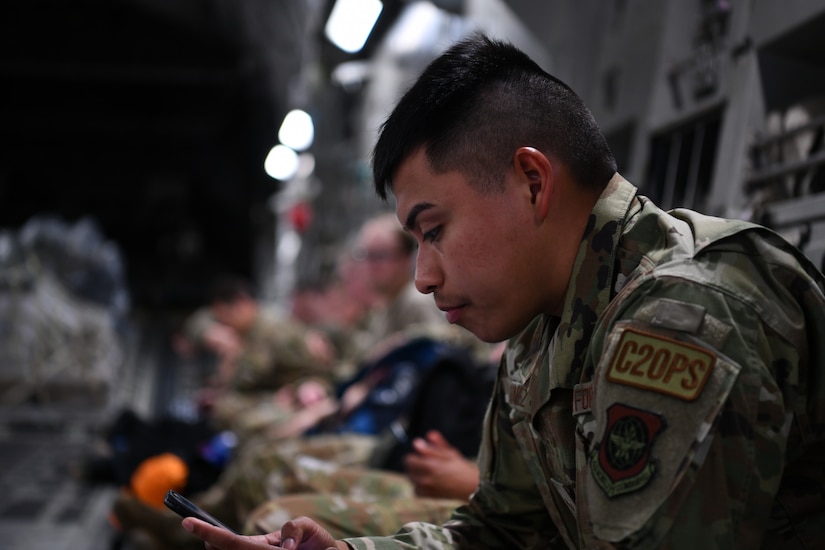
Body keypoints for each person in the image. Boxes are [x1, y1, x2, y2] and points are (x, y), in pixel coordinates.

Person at [182, 33, 825, 549]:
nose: (423, 276)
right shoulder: (543, 327)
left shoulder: (685, 312)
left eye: (434, 231)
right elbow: (501, 531)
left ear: (532, 183)